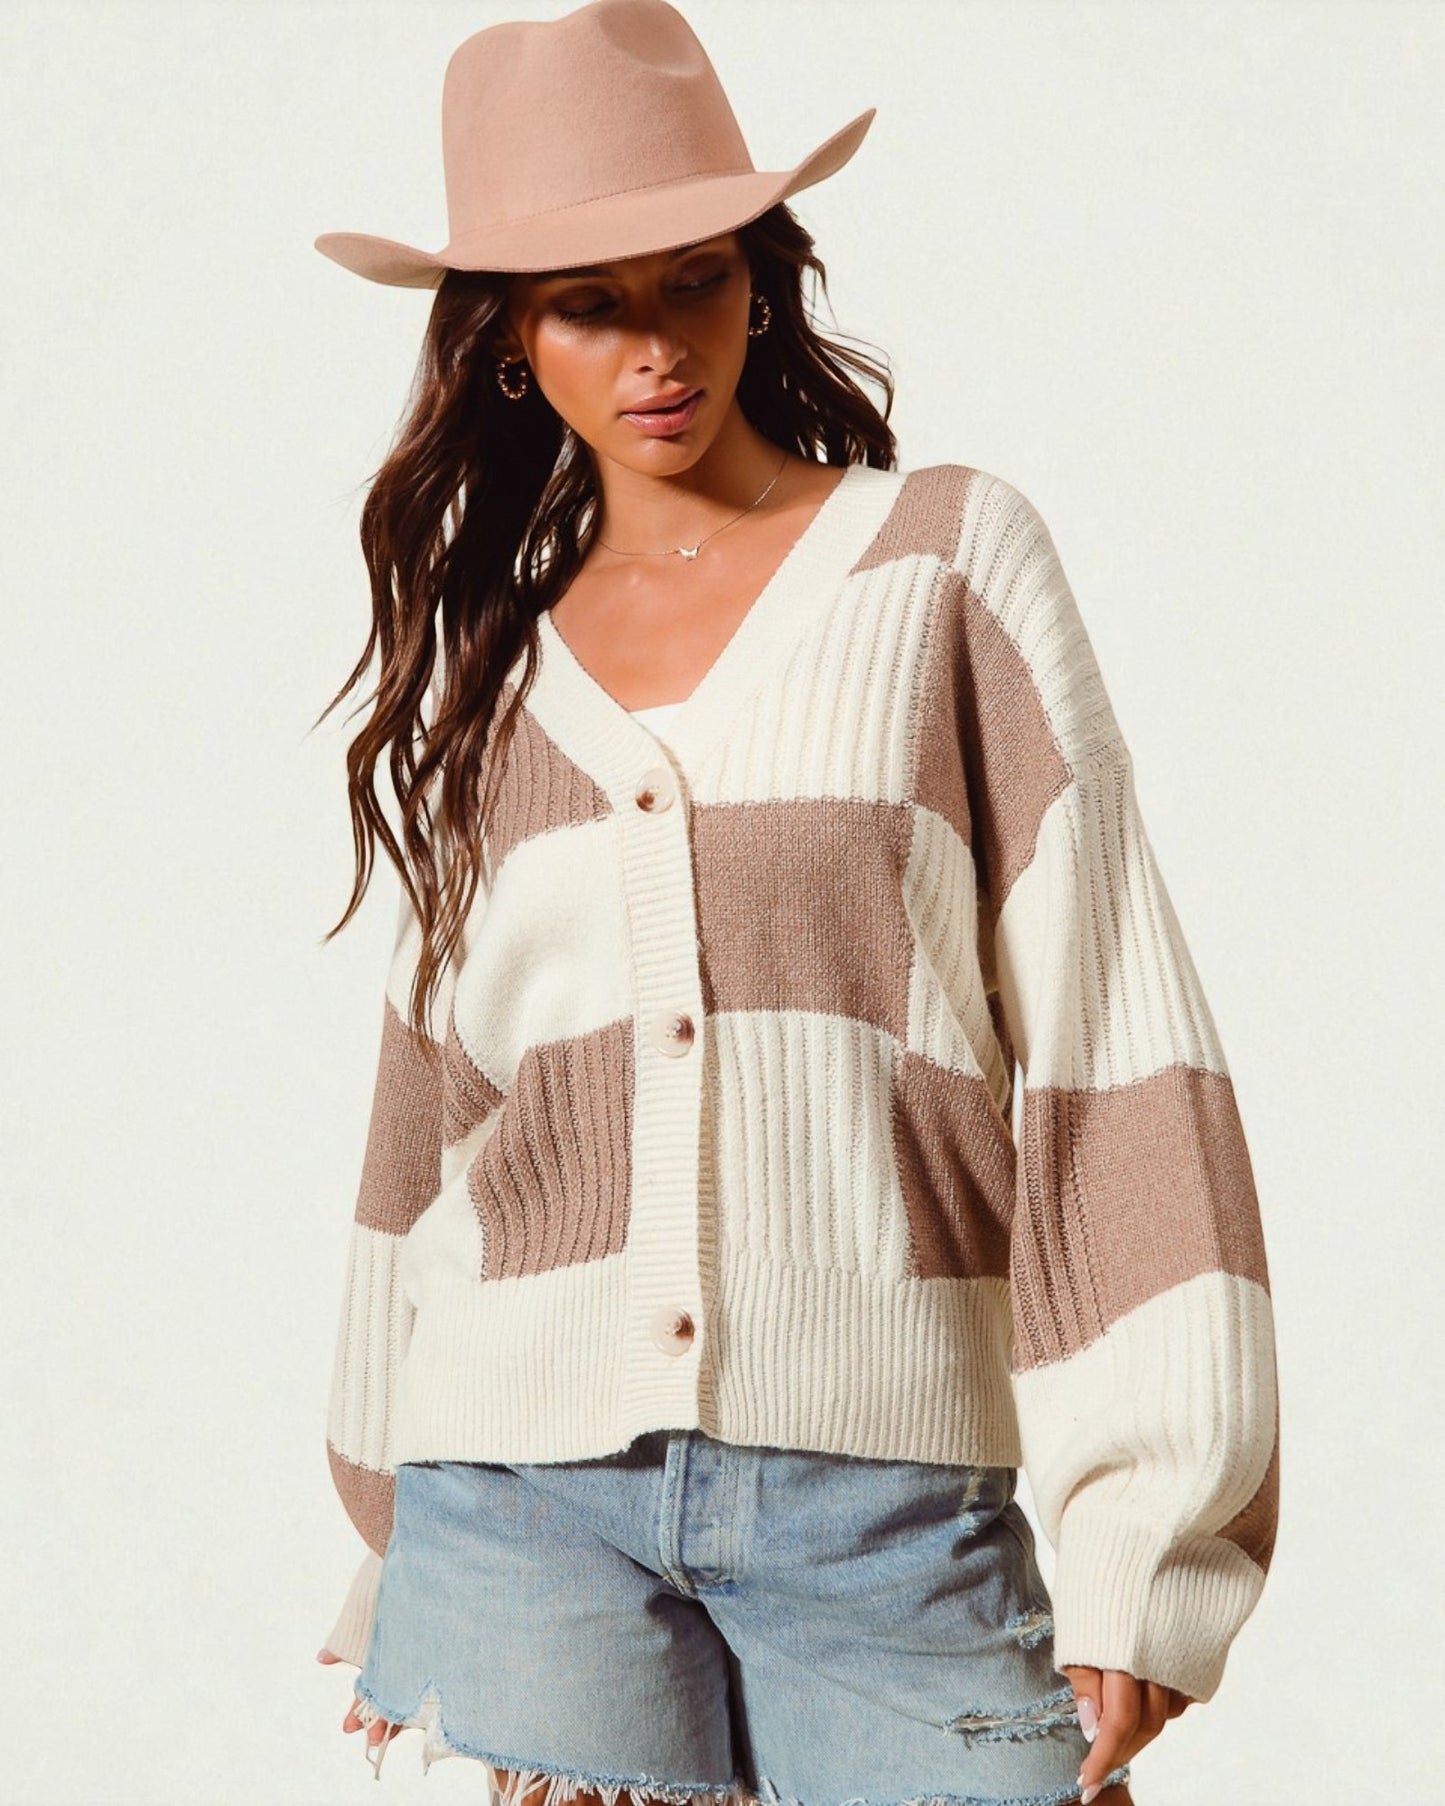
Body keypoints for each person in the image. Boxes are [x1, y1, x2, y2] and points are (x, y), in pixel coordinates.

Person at [309, 5, 1280, 1805]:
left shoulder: (943, 563)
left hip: (881, 1507)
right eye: (589, 302)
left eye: (696, 277)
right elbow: (432, 1134)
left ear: (763, 275)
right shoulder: (492, 681)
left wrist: (1153, 1523)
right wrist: (388, 1516)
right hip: (518, 1525)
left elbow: (1108, 1034)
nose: (657, 345)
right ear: (511, 343)